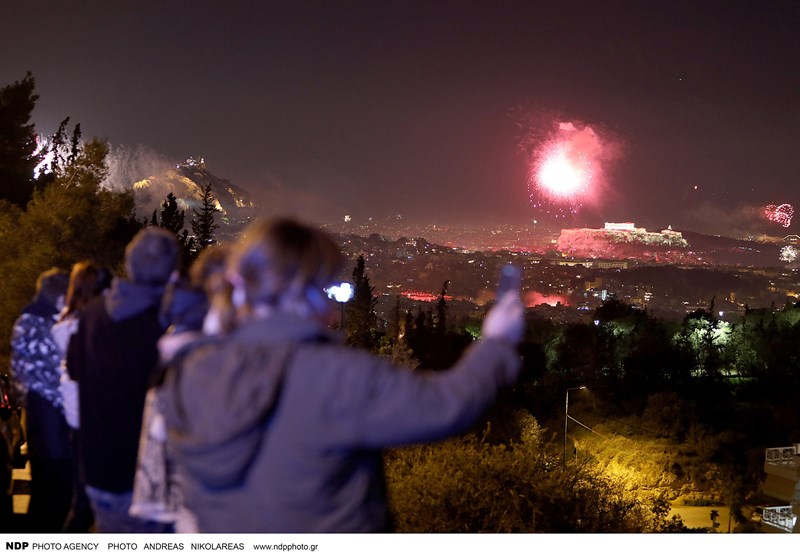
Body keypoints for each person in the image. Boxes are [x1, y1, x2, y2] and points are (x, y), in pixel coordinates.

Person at [158, 218, 524, 532]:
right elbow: (447, 405)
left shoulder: (190, 371)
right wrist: (497, 344)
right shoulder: (335, 377)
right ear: (307, 291)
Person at [67, 228, 178, 533]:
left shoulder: (90, 316)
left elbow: (74, 370)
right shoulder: (165, 327)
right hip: (146, 480)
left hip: (98, 471)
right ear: (172, 273)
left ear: (129, 265)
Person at [52, 260, 112, 533]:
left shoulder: (63, 323)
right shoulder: (96, 324)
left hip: (75, 416)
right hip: (97, 416)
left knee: (83, 499)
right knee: (94, 501)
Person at [10, 268, 71, 532]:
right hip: (55, 416)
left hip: (35, 413)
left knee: (43, 487)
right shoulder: (54, 324)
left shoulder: (25, 321)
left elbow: (18, 374)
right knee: (57, 491)